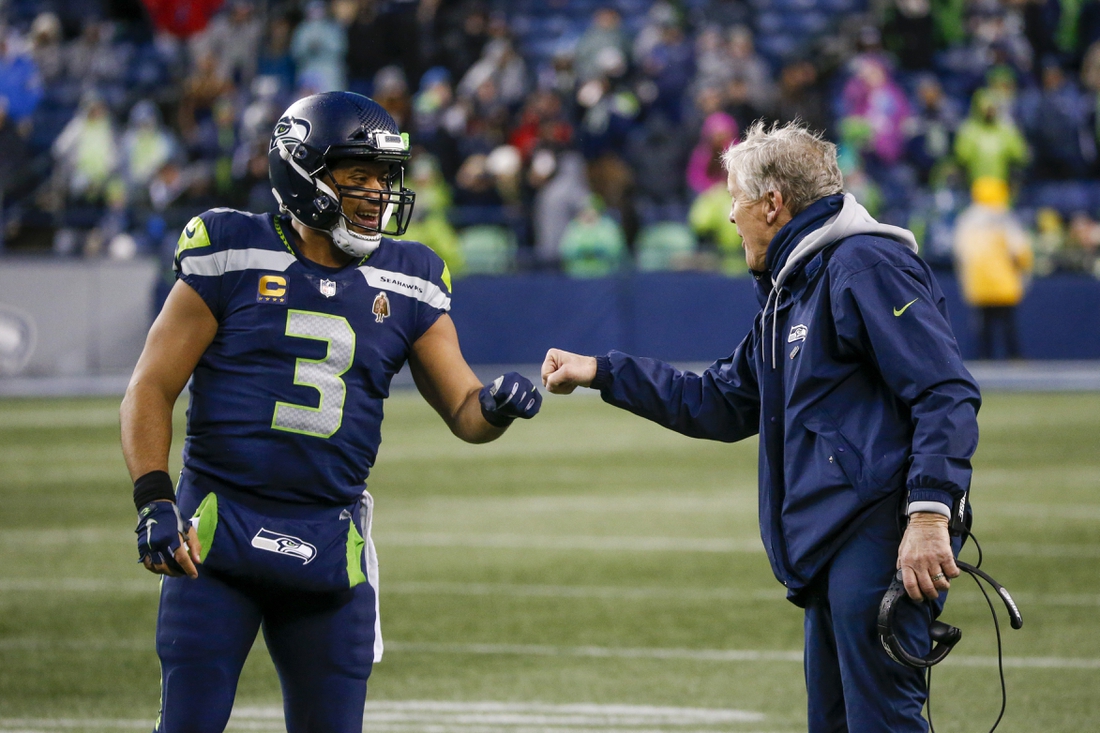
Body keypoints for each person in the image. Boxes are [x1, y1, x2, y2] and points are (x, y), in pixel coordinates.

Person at [120, 92, 541, 732]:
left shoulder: (411, 275)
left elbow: (463, 408)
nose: (378, 194)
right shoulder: (234, 248)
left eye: (384, 178)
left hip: (328, 540)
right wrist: (154, 496)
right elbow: (150, 387)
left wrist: (498, 405)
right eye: (358, 177)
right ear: (303, 173)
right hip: (214, 532)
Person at [541, 121, 981, 732]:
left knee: (883, 723)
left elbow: (945, 390)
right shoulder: (794, 288)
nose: (729, 217)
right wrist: (602, 373)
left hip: (879, 535)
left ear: (773, 203)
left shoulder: (863, 265)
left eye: (735, 200)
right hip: (833, 544)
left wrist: (930, 513)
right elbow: (718, 400)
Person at [953, 176, 1033, 359]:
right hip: (1004, 281)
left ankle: (983, 364)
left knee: (983, 328)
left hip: (979, 282)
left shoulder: (967, 218)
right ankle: (1015, 362)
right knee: (1008, 326)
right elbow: (1019, 249)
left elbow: (961, 252)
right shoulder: (1005, 216)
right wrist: (1024, 269)